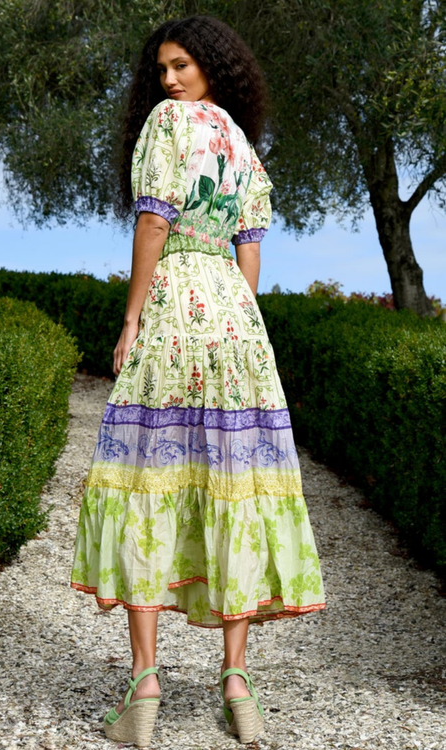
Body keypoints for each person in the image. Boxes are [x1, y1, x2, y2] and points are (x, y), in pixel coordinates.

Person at [71, 15, 325, 748]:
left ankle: (144, 685)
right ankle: (237, 686)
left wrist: (130, 319)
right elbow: (251, 253)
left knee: (148, 480)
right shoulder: (244, 146)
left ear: (212, 63)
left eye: (182, 64)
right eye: (162, 71)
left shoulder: (168, 124)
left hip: (178, 304)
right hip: (237, 323)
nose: (171, 79)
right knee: (235, 482)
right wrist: (241, 323)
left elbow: (152, 223)